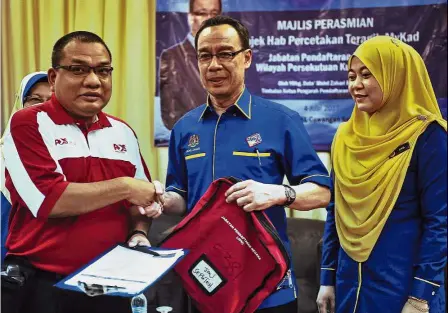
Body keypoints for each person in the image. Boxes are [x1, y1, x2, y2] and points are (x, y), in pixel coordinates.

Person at [149, 16, 331, 312]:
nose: (214, 65)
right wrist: (160, 199)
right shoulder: (184, 128)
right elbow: (181, 196)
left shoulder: (280, 120)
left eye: (225, 53)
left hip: (268, 287)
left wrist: (279, 193)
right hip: (204, 281)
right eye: (205, 55)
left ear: (246, 58)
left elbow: (323, 191)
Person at [1, 31, 160, 313]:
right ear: (53, 78)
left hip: (112, 284)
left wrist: (139, 231)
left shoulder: (122, 132)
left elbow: (142, 202)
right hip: (45, 285)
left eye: (103, 71)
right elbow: (51, 200)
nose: (93, 81)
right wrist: (125, 186)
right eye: (78, 69)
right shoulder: (27, 123)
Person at [317, 36, 447, 313]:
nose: (356, 85)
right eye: (351, 76)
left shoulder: (428, 136)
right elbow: (336, 212)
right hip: (349, 289)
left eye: (367, 75)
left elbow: (440, 221)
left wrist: (420, 296)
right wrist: (327, 279)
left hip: (403, 293)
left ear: (396, 76)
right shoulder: (345, 137)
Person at [1, 71, 51, 262]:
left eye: (51, 100)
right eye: (35, 99)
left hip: (50, 260)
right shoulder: (3, 153)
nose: (43, 107)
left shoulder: (75, 154)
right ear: (21, 103)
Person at [159, 0, 222, 130]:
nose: (209, 19)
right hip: (193, 142)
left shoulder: (233, 55)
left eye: (214, 13)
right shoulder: (172, 57)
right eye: (202, 13)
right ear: (190, 17)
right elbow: (170, 117)